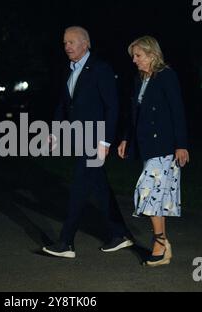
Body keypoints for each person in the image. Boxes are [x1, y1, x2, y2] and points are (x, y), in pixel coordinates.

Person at [42, 26, 134, 259]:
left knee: (79, 187)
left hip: (95, 138)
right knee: (99, 187)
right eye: (64, 43)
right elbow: (64, 104)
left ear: (86, 44)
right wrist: (54, 132)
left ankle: (66, 243)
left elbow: (112, 106)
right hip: (78, 137)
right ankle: (119, 234)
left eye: (72, 42)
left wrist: (105, 142)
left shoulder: (100, 69)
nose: (67, 47)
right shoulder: (69, 70)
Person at [118, 36, 189, 267]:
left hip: (165, 146)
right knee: (157, 198)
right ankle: (163, 244)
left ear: (151, 54)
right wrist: (126, 140)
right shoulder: (140, 79)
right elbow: (134, 115)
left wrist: (181, 144)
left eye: (138, 55)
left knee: (147, 193)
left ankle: (160, 242)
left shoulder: (166, 75)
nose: (134, 60)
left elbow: (177, 110)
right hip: (147, 146)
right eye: (133, 56)